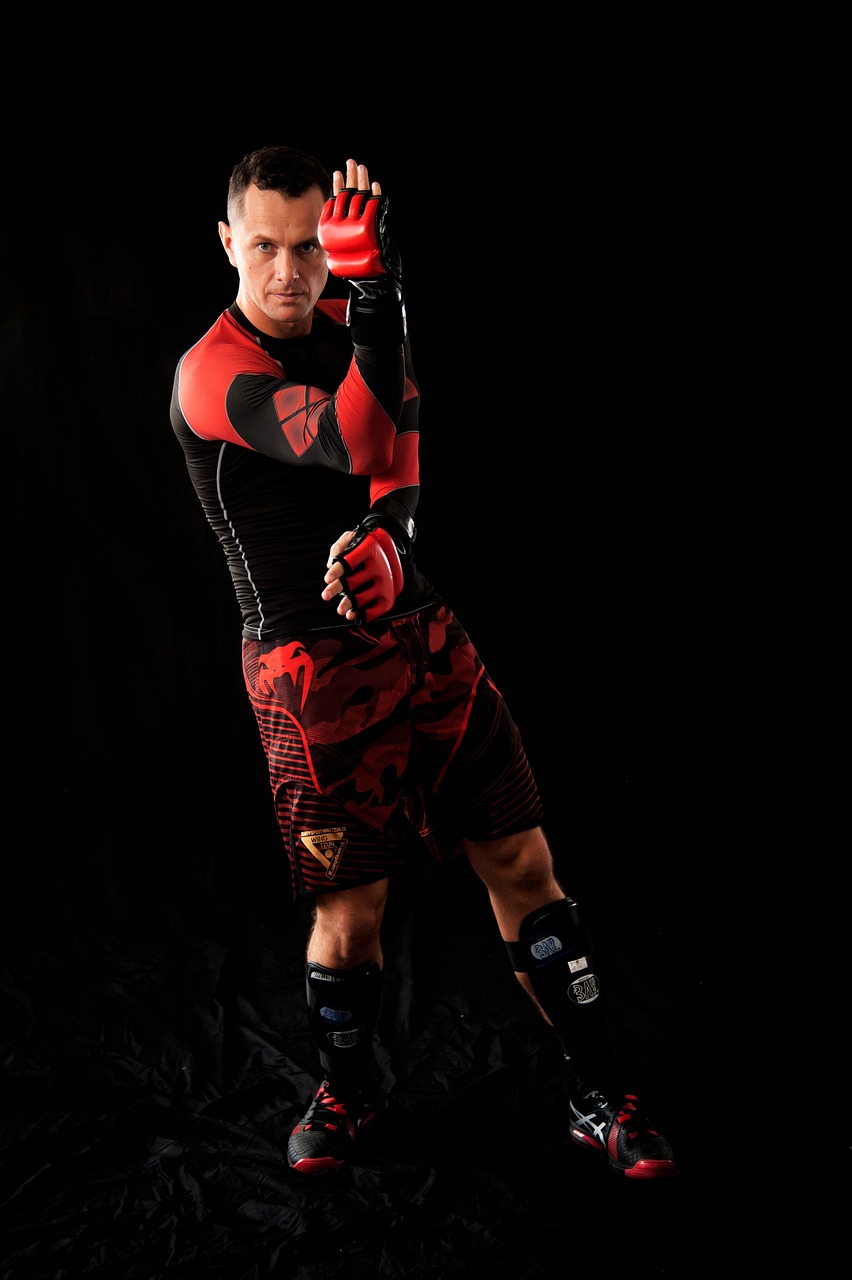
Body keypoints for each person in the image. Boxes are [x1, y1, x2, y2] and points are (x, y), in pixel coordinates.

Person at [169, 144, 680, 1181]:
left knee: (526, 867)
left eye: (310, 246)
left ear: (332, 242)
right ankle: (347, 1093)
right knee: (352, 911)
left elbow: (398, 450)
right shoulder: (210, 370)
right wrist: (377, 293)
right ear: (227, 242)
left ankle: (598, 1094)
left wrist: (396, 541)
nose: (288, 270)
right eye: (264, 246)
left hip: (421, 636)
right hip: (308, 677)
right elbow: (353, 438)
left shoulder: (356, 320)